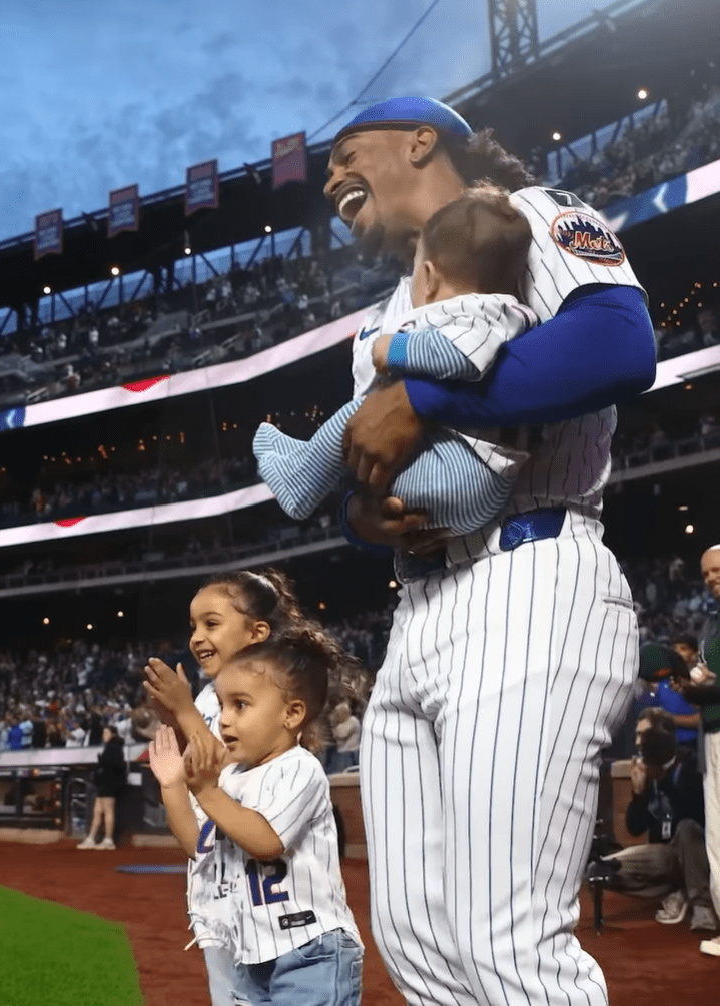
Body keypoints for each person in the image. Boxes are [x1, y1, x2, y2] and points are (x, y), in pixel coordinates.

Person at [320, 96, 656, 1006]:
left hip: (531, 574)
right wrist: (366, 516)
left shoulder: (529, 213)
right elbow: (362, 470)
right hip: (419, 611)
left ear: (421, 140)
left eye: (348, 152)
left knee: (509, 944)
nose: (330, 175)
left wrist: (430, 400)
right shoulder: (388, 310)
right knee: (418, 943)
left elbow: (620, 345)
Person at [254, 185, 537, 536]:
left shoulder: (483, 311)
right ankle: (309, 463)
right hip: (464, 476)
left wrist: (395, 348)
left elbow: (460, 355)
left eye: (416, 270)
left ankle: (303, 478)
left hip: (465, 473)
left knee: (364, 411)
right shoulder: (504, 310)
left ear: (430, 277)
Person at [148, 627, 364, 1006]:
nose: (225, 719)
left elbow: (265, 842)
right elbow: (198, 847)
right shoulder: (230, 777)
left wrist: (208, 791)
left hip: (310, 950)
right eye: (222, 705)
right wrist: (172, 787)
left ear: (292, 713)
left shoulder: (299, 768)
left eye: (240, 705)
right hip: (252, 954)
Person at [142, 569, 308, 1006]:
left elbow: (227, 762)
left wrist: (182, 712)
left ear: (257, 632)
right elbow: (199, 769)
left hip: (268, 894)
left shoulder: (270, 688)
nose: (197, 637)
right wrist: (173, 720)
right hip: (219, 883)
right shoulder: (203, 697)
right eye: (193, 626)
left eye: (211, 623)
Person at [592, 708, 715, 930]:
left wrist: (663, 779)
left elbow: (693, 816)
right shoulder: (645, 769)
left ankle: (701, 906)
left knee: (687, 828)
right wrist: (639, 794)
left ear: (664, 735)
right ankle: (678, 891)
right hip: (664, 856)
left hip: (696, 857)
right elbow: (635, 827)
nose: (639, 742)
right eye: (637, 735)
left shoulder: (689, 763)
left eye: (644, 734)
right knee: (599, 871)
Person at [675, 544, 720, 956]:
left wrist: (704, 687)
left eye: (718, 570)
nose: (712, 578)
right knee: (716, 836)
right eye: (706, 573)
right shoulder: (711, 624)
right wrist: (693, 686)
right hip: (713, 734)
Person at [77, 725, 126, 850]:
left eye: (106, 732)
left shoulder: (114, 748)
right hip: (104, 784)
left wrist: (102, 768)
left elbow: (115, 767)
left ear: (112, 734)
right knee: (97, 812)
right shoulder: (111, 748)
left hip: (109, 784)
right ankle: (91, 838)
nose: (104, 735)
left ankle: (109, 839)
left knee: (108, 811)